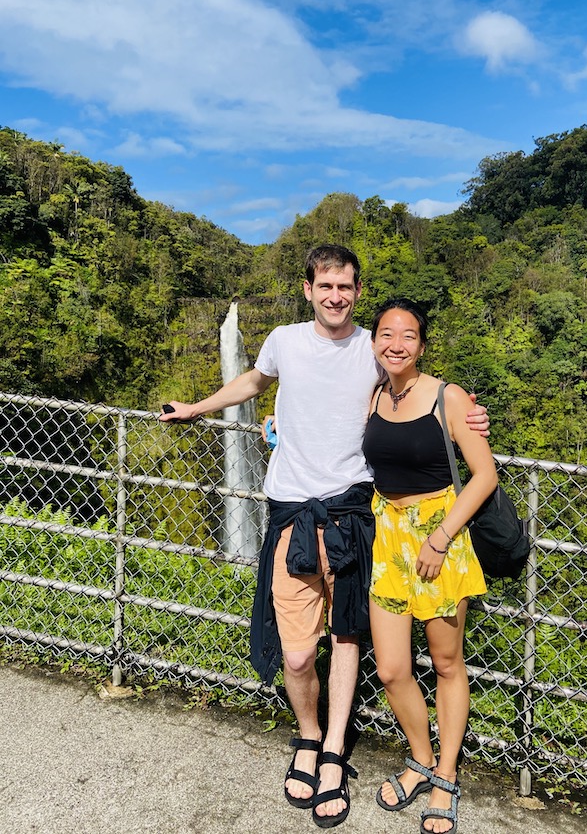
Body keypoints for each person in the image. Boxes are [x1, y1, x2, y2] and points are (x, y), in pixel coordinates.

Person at [160, 246, 490, 828]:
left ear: (357, 292)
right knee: (315, 653)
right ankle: (316, 739)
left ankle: (348, 752)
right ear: (308, 288)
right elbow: (256, 383)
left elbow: (421, 392)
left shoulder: (372, 349)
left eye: (346, 286)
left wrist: (469, 411)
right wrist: (198, 409)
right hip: (304, 515)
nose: (336, 295)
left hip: (361, 518)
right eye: (326, 285)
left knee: (358, 641)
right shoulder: (287, 341)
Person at [362, 297, 498, 834]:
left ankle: (445, 774)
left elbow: (484, 475)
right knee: (392, 668)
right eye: (387, 334)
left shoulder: (448, 396)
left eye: (408, 336)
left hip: (440, 537)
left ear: (421, 344)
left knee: (445, 662)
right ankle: (420, 758)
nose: (396, 344)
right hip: (387, 538)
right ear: (375, 341)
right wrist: (277, 421)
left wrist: (441, 538)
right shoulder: (374, 394)